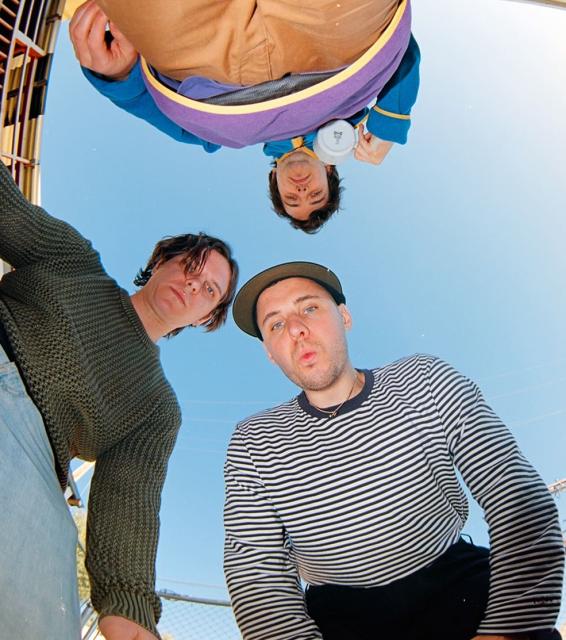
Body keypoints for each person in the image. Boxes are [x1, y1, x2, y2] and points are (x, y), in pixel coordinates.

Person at [225, 261, 564, 640]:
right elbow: (255, 570)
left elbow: (517, 499)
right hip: (338, 616)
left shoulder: (425, 379)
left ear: (344, 316)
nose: (295, 329)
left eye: (309, 308)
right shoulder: (253, 440)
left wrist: (505, 630)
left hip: (455, 581)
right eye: (275, 325)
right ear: (270, 353)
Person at [0, 161, 238, 640]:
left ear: (205, 317)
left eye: (210, 289)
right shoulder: (76, 262)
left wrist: (128, 608)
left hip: (31, 455)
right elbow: (10, 213)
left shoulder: (157, 408)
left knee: (40, 604)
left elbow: (129, 502)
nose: (194, 283)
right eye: (189, 266)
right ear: (159, 262)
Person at [69, 0, 420, 232]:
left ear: (274, 181)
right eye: (314, 194)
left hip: (207, 65)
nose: (301, 189)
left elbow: (147, 105)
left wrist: (120, 75)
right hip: (328, 45)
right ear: (329, 171)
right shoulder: (357, 109)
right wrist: (391, 119)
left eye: (292, 198)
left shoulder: (217, 137)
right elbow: (399, 44)